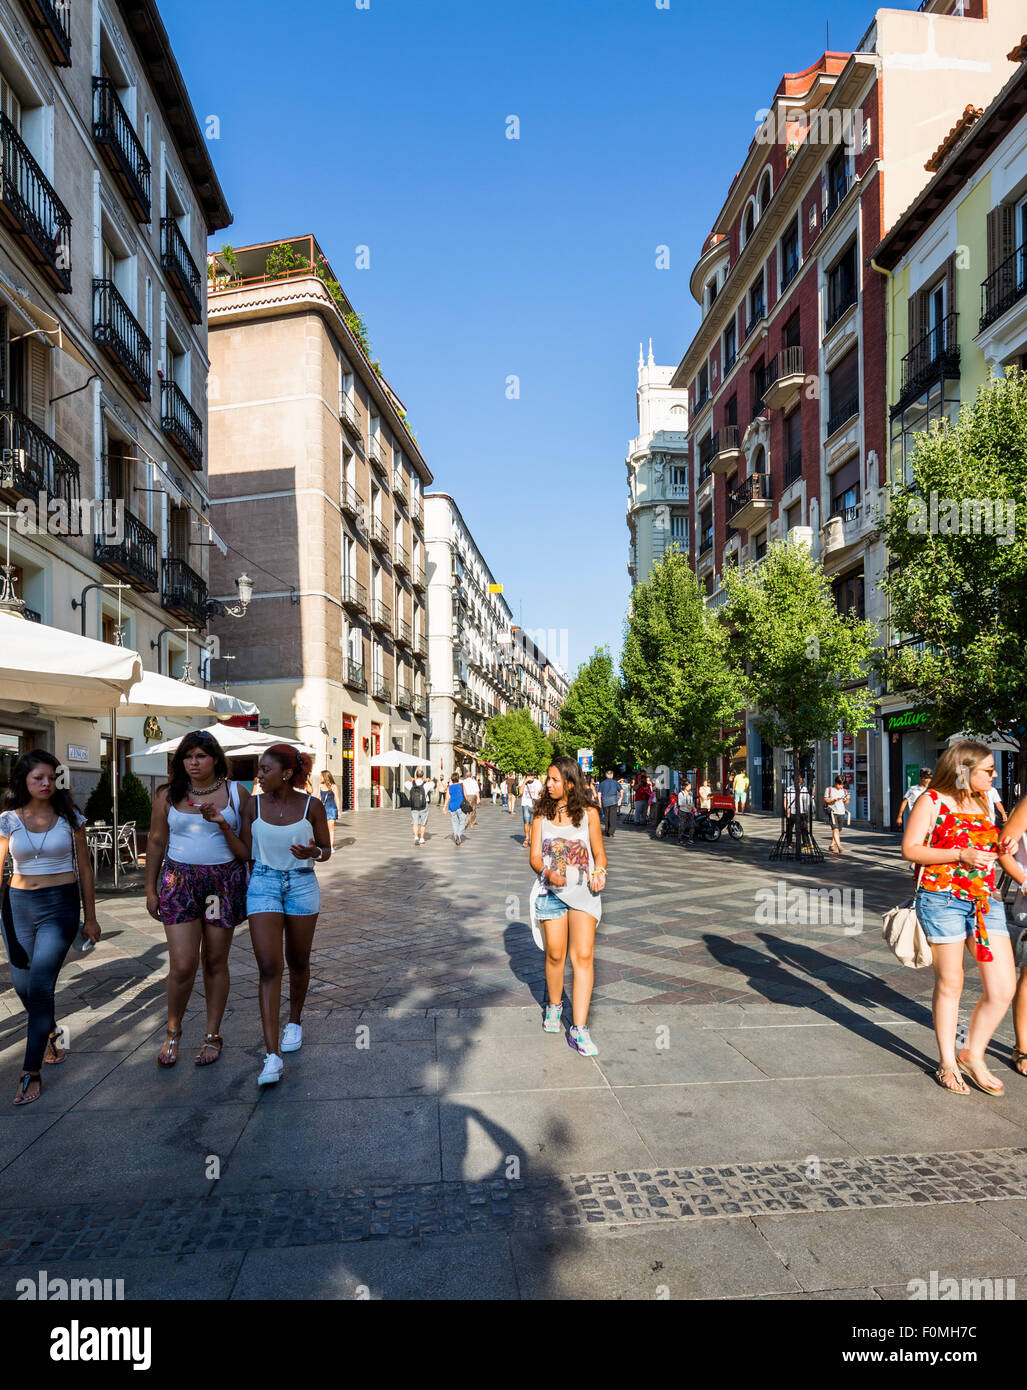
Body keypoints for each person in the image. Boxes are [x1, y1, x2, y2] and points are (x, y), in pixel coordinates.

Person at [904, 740, 1017, 1096]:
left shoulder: (982, 802)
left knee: (1002, 989)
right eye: (988, 770)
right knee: (951, 984)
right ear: (963, 770)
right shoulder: (931, 800)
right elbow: (911, 849)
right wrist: (960, 854)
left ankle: (973, 1054)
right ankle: (947, 1062)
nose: (994, 774)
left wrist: (1002, 848)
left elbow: (984, 847)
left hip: (986, 900)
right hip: (942, 900)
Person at [146, 730, 251, 1068]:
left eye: (200, 756)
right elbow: (156, 843)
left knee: (215, 961)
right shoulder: (166, 794)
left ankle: (212, 1035)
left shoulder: (237, 793)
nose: (193, 762)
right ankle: (173, 1030)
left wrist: (222, 825)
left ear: (216, 759)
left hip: (222, 883)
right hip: (179, 882)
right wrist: (151, 889)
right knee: (182, 964)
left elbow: (247, 850)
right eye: (188, 756)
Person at [0, 751, 99, 1106]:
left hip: (60, 906)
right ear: (23, 781)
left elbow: (86, 870)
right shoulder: (8, 820)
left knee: (41, 987)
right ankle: (53, 1032)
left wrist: (90, 917)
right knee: (23, 986)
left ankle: (30, 1071)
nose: (45, 784)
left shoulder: (70, 817)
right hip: (18, 908)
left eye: (50, 778)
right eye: (37, 778)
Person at [241, 745, 331, 1086]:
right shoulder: (254, 804)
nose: (260, 775)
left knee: (298, 960)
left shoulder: (313, 806)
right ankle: (272, 1056)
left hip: (302, 883)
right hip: (263, 882)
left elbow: (326, 851)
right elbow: (244, 851)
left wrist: (314, 852)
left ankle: (294, 1020)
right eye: (260, 770)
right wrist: (221, 825)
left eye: (265, 770)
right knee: (268, 966)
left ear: (287, 774)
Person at [529, 756, 606, 1056]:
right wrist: (547, 872)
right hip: (550, 892)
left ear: (570, 784)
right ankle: (554, 1004)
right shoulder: (541, 815)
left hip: (584, 892)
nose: (548, 784)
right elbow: (535, 857)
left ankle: (579, 1029)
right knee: (555, 954)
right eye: (548, 779)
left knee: (583, 956)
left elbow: (599, 855)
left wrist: (599, 874)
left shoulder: (589, 814)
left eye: (554, 780)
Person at [404, 767, 432, 846]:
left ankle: (416, 837)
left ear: (416, 776)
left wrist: (411, 780)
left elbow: (405, 783)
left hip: (414, 805)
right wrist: (428, 780)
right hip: (424, 805)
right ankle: (422, 838)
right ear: (423, 776)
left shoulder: (411, 784)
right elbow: (433, 784)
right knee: (423, 822)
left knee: (415, 822)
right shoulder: (426, 784)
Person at [823, 775, 850, 855]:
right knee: (835, 829)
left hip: (841, 812)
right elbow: (825, 800)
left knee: (838, 830)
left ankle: (831, 845)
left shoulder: (844, 791)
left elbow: (847, 803)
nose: (841, 786)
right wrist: (833, 800)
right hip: (832, 812)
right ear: (836, 783)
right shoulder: (829, 789)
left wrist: (847, 798)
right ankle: (839, 846)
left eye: (842, 785)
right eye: (840, 784)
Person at [783, 774, 811, 848]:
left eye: (800, 778)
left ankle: (806, 843)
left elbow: (806, 801)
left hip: (801, 811)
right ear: (792, 780)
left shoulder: (804, 789)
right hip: (791, 811)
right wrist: (787, 811)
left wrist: (806, 811)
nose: (799, 780)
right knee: (789, 828)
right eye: (798, 778)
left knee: (803, 828)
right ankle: (789, 843)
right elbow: (785, 801)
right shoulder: (789, 789)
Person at [519, 772, 543, 847]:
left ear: (534, 776)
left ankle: (531, 839)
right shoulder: (523, 782)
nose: (530, 777)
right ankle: (527, 838)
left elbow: (540, 793)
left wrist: (539, 801)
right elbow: (520, 792)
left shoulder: (538, 782)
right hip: (525, 804)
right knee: (526, 822)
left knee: (532, 823)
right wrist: (525, 782)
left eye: (532, 775)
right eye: (529, 775)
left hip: (534, 805)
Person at [598, 769, 622, 837]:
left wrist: (599, 802)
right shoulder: (615, 783)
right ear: (612, 775)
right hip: (613, 800)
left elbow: (599, 793)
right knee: (613, 817)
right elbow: (622, 791)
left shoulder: (602, 783)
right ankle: (611, 832)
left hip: (605, 801)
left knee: (606, 816)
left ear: (606, 775)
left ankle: (606, 830)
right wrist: (620, 799)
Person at [319, 770, 339, 848]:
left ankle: (331, 846)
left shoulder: (334, 786)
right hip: (322, 810)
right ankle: (324, 844)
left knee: (331, 828)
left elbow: (337, 798)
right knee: (323, 829)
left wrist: (339, 811)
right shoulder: (320, 786)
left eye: (321, 776)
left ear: (325, 777)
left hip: (331, 809)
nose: (320, 777)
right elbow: (318, 797)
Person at [447, 772, 467, 845]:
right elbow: (465, 795)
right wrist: (468, 802)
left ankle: (456, 838)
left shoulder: (450, 787)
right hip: (461, 806)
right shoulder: (461, 785)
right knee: (462, 821)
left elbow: (447, 797)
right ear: (458, 778)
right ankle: (459, 834)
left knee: (455, 823)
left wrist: (444, 807)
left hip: (452, 807)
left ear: (452, 779)